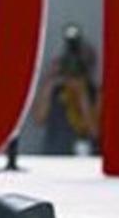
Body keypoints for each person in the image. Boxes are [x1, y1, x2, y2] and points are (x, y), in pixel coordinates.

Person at [32, 23, 101, 156]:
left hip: (82, 156)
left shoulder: (95, 92)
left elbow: (95, 131)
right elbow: (39, 119)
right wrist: (49, 82)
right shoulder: (55, 89)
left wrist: (82, 95)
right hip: (53, 154)